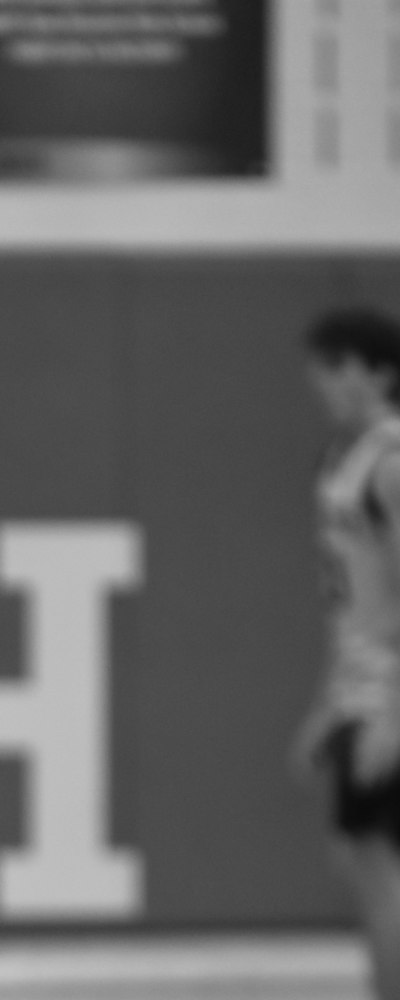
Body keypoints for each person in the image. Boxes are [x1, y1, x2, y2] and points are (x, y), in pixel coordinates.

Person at [295, 308, 400, 1000]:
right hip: (362, 688)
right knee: (360, 859)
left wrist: (394, 713)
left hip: (386, 693)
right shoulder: (349, 458)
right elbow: (354, 603)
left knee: (376, 865)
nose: (323, 386)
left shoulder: (389, 463)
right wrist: (326, 707)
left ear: (377, 372)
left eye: (336, 369)